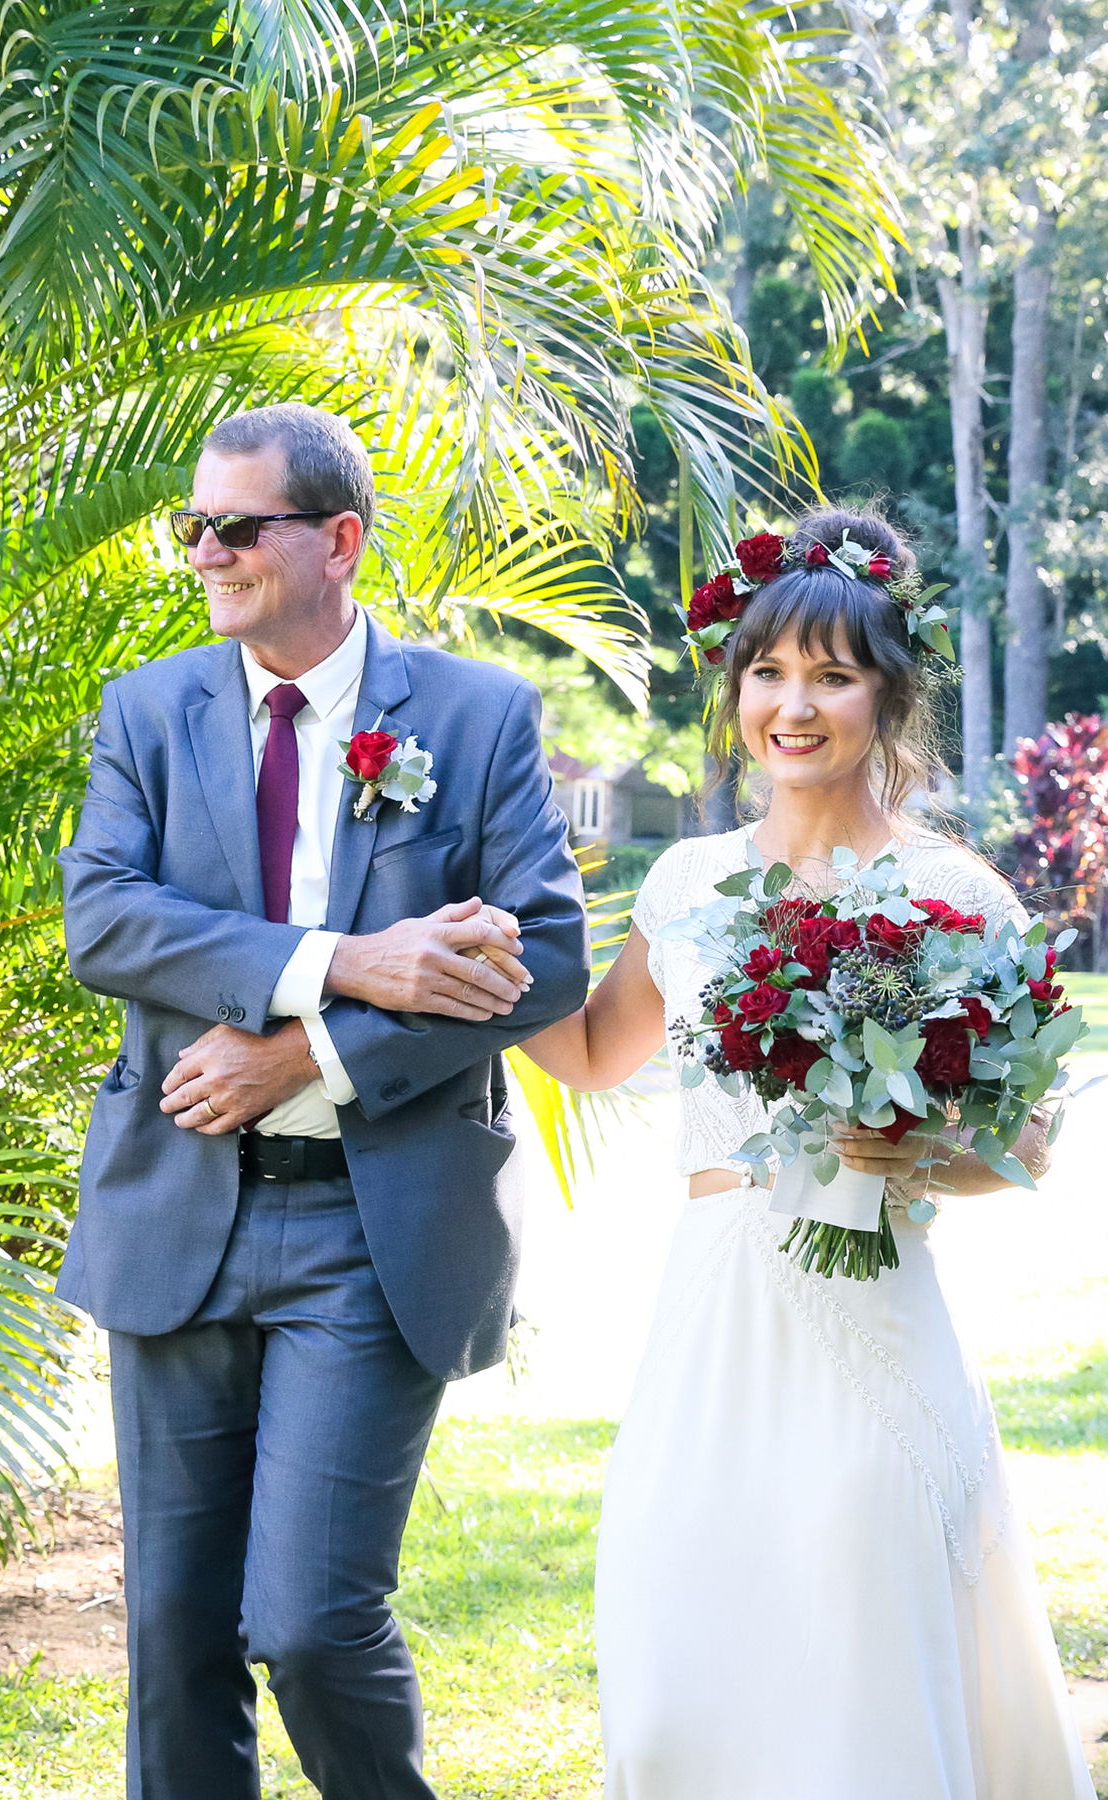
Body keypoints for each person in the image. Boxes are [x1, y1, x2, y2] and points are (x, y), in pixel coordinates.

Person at [57, 400, 589, 1800]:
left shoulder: (475, 719)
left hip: (376, 1225)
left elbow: (545, 965)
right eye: (196, 528)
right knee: (172, 1640)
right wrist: (342, 965)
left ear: (339, 539)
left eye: (240, 526)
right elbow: (105, 920)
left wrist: (310, 1053)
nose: (208, 553)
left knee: (304, 1622)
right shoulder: (147, 711)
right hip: (177, 1208)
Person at [520, 506, 1093, 1799]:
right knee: (677, 1667)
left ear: (888, 693)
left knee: (861, 1653)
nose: (793, 704)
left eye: (832, 675)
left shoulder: (958, 892)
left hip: (872, 1312)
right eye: (768, 673)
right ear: (735, 691)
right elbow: (594, 1051)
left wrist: (912, 1155)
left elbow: (1029, 1148)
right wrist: (479, 943)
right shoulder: (685, 881)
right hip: (712, 1311)